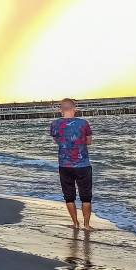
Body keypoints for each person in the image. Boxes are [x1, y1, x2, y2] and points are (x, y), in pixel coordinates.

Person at [50, 98, 93, 230]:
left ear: (60, 110)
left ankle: (75, 223)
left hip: (64, 166)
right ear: (75, 109)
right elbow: (89, 142)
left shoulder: (55, 124)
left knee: (69, 197)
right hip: (83, 165)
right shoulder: (84, 123)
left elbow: (56, 140)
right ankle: (86, 225)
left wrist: (67, 143)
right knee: (86, 197)